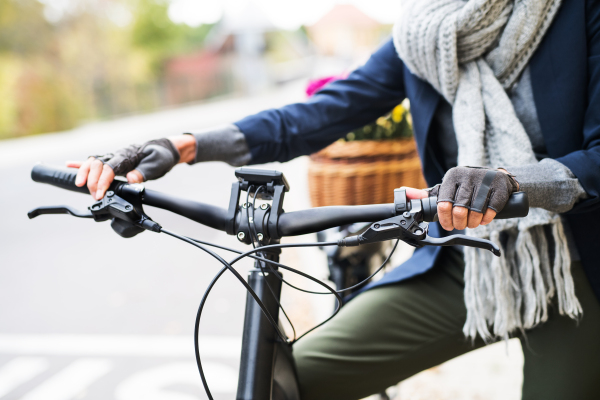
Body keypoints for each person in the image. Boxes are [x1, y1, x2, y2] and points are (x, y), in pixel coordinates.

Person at [68, 1, 600, 399]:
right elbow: (321, 113)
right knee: (286, 383)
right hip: (469, 263)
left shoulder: (579, 12)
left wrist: (513, 182)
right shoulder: (426, 34)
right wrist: (182, 145)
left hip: (579, 269)